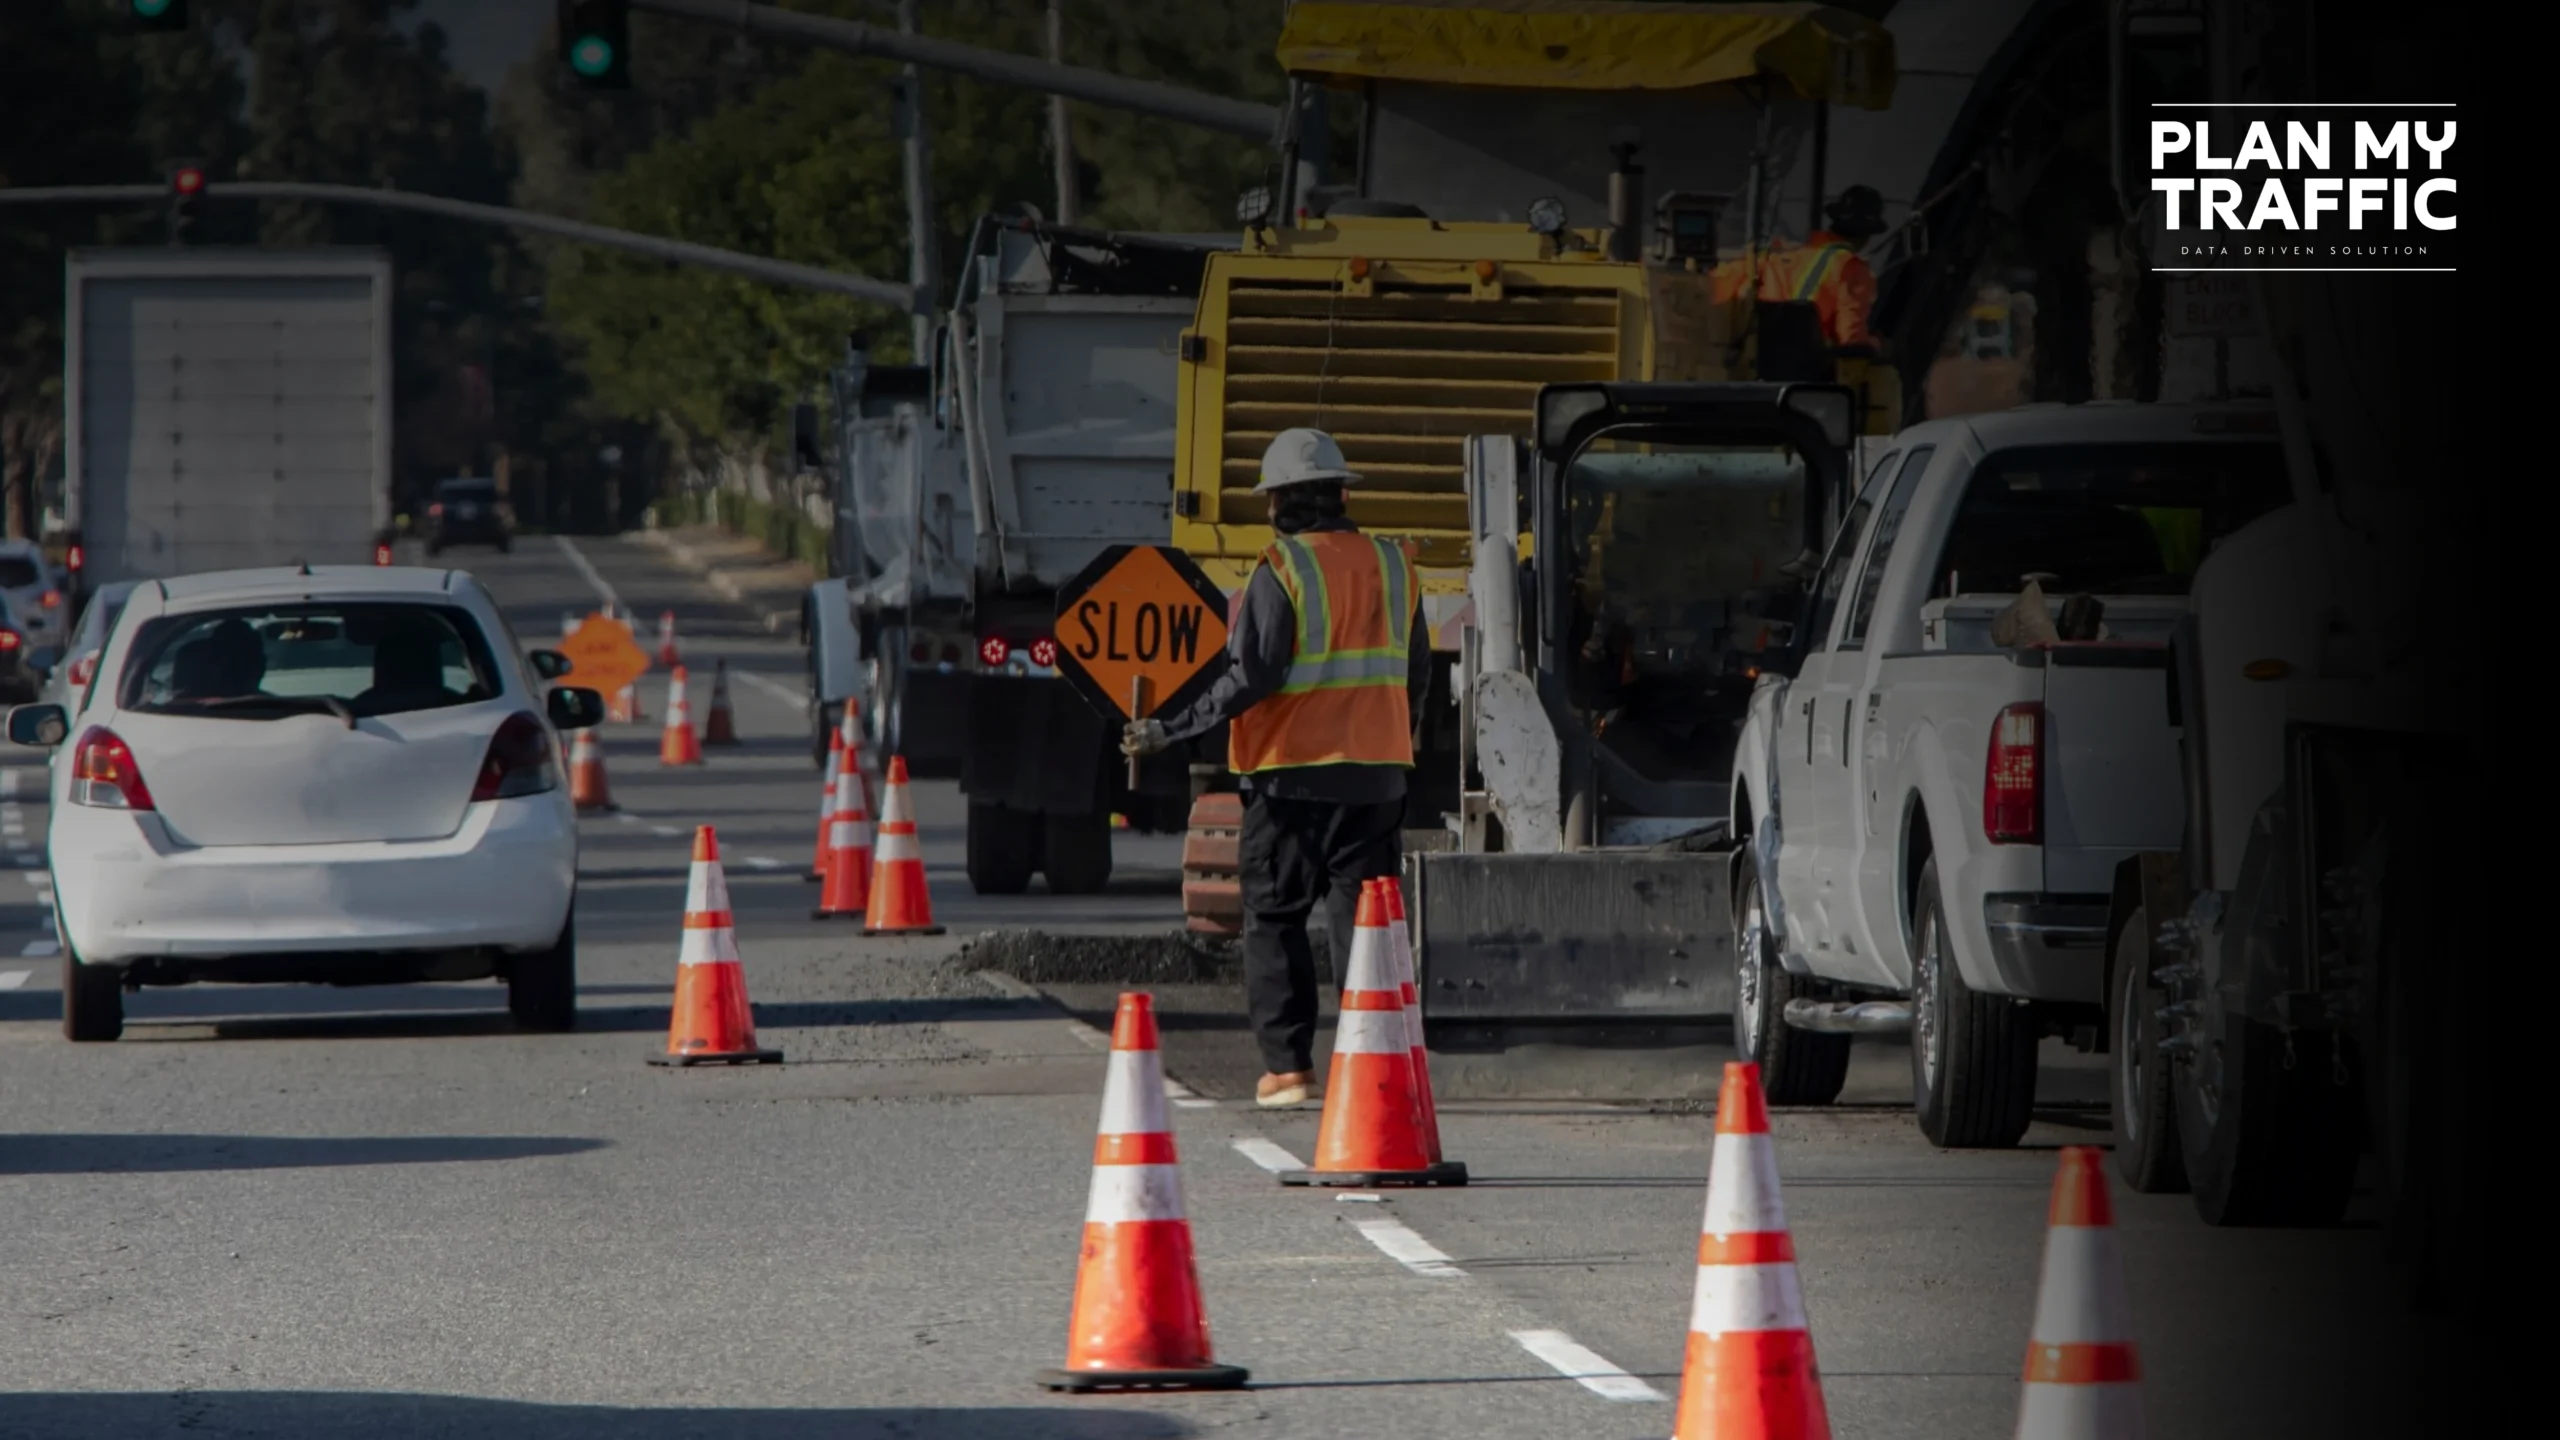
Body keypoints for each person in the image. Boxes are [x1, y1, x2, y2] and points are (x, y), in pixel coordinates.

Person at [1121, 429, 1429, 1108]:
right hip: (1376, 779)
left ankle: (1289, 1070)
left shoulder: (1282, 569)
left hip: (1292, 779)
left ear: (1281, 503)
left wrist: (1171, 728)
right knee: (1368, 927)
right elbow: (1418, 676)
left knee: (1275, 918)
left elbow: (1250, 675)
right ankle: (1370, 1066)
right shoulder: (1394, 565)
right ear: (1342, 494)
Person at [1710, 183, 1887, 349]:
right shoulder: (1852, 268)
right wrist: (1877, 344)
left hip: (1757, 363)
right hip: (1808, 371)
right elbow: (1851, 340)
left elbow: (1716, 290)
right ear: (1867, 235)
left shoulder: (1777, 256)